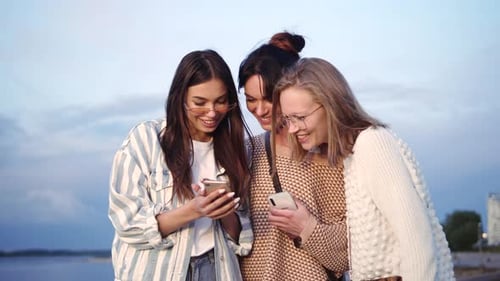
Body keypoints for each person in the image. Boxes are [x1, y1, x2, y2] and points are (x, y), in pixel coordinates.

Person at [272, 57, 455, 280]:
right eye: (287, 119)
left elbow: (417, 239)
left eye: (300, 117)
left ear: (331, 105)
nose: (292, 129)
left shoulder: (372, 144)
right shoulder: (353, 156)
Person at [108, 49, 254, 281]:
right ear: (180, 98)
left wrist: (223, 212)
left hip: (216, 269)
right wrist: (194, 210)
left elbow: (242, 238)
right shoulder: (146, 139)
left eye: (221, 101)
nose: (211, 112)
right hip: (156, 272)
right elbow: (128, 224)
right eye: (199, 103)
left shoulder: (238, 150)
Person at [238, 32, 349, 280]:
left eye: (268, 98)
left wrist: (306, 228)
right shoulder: (245, 152)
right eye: (250, 100)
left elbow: (350, 251)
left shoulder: (326, 156)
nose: (259, 109)